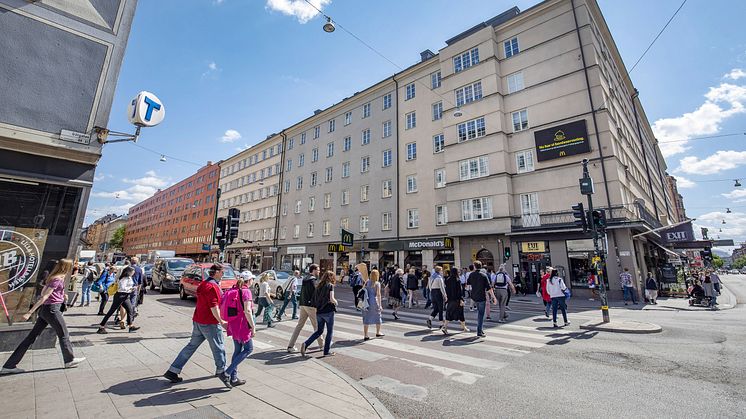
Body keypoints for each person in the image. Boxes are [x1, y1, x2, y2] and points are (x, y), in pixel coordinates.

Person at [1, 259, 86, 374]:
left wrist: (61, 295)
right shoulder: (58, 279)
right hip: (52, 309)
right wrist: (30, 312)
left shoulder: (52, 277)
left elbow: (43, 293)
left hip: (46, 310)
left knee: (31, 337)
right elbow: (44, 297)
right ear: (67, 267)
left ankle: (9, 365)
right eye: (72, 266)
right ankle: (69, 360)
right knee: (64, 334)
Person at [163, 263, 232, 388]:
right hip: (209, 322)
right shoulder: (212, 287)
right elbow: (213, 306)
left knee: (191, 346)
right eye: (222, 272)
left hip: (198, 320)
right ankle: (222, 371)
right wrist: (222, 322)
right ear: (216, 272)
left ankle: (173, 370)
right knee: (218, 347)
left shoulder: (204, 284)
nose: (223, 275)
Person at [220, 271, 256, 386]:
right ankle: (227, 373)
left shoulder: (233, 290)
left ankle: (234, 378)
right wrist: (253, 327)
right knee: (248, 349)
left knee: (237, 350)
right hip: (242, 324)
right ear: (249, 280)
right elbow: (248, 311)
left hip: (233, 323)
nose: (253, 281)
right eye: (252, 279)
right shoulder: (246, 292)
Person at [287, 264, 324, 353]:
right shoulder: (313, 280)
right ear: (314, 270)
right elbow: (316, 294)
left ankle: (290, 345)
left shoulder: (305, 278)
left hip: (303, 304)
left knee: (299, 325)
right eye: (318, 270)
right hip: (311, 306)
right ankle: (322, 345)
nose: (319, 271)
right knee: (317, 326)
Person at [301, 270, 338, 357]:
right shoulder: (330, 286)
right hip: (328, 311)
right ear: (331, 278)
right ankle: (326, 351)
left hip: (319, 312)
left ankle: (306, 344)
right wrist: (336, 302)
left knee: (319, 331)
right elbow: (332, 299)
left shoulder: (318, 286)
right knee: (329, 332)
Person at [97, 266, 140, 334]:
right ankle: (101, 326)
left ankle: (130, 326)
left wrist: (132, 288)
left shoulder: (129, 278)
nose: (133, 272)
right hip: (120, 295)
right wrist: (131, 289)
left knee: (130, 310)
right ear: (129, 272)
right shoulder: (124, 278)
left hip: (126, 296)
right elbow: (122, 288)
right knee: (111, 311)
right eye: (132, 271)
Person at [467, 261, 496, 338]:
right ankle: (479, 331)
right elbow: (489, 288)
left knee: (479, 313)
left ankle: (480, 330)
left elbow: (467, 285)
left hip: (474, 296)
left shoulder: (471, 274)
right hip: (481, 296)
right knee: (481, 314)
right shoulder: (484, 275)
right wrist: (493, 297)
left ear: (474, 266)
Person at [360, 264, 384, 340]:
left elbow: (362, 290)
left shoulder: (366, 282)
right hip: (374, 301)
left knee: (366, 318)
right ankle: (378, 332)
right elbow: (378, 294)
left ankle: (366, 335)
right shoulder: (377, 283)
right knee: (378, 316)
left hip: (366, 302)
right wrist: (380, 305)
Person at [444, 267, 469, 334]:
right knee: (461, 314)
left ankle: (445, 327)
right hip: (457, 300)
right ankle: (464, 328)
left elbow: (446, 290)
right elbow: (459, 291)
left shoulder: (448, 279)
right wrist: (461, 299)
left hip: (450, 299)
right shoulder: (457, 280)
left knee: (449, 313)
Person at [426, 266, 447, 333]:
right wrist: (445, 295)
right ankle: (441, 324)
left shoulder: (431, 277)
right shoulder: (439, 278)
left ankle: (430, 319)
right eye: (441, 270)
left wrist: (432, 291)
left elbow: (429, 286)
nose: (442, 272)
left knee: (436, 308)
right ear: (439, 271)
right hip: (438, 293)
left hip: (432, 292)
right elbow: (442, 288)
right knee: (440, 309)